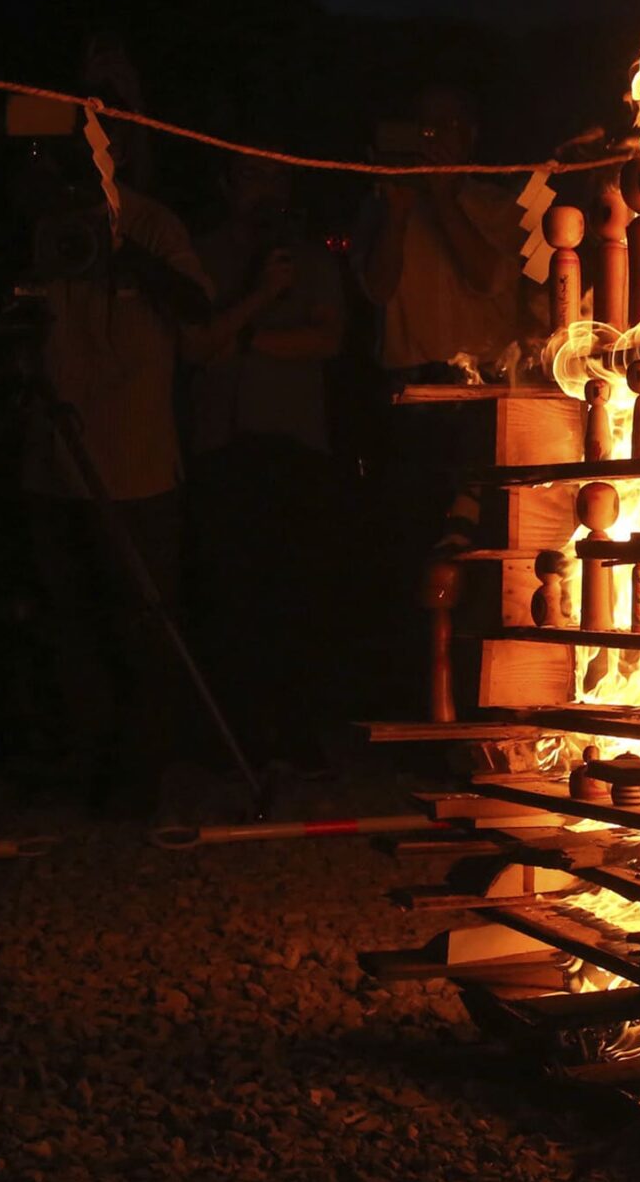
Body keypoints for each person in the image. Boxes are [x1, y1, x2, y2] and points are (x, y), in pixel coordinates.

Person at [12, 117, 211, 816]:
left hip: (136, 465)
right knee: (67, 619)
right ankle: (80, 762)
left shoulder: (153, 225)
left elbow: (197, 306)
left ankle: (145, 771)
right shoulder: (40, 223)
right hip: (54, 458)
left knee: (145, 621)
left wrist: (133, 259)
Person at [350, 84, 527, 706]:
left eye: (446, 128)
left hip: (484, 404)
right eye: (422, 131)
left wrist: (444, 198)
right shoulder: (382, 206)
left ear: (471, 135)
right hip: (410, 403)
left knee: (479, 558)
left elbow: (485, 275)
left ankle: (483, 708)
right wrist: (400, 210)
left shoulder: (498, 204)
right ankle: (413, 708)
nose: (435, 141)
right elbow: (374, 288)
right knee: (408, 553)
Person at [184, 152, 344, 778]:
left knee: (297, 592)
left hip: (296, 445)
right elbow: (197, 347)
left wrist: (246, 336)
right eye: (251, 176)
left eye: (275, 177)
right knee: (232, 595)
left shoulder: (313, 260)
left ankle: (297, 729)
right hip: (222, 445)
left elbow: (326, 340)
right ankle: (237, 735)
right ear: (226, 184)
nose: (265, 191)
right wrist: (260, 299)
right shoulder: (201, 254)